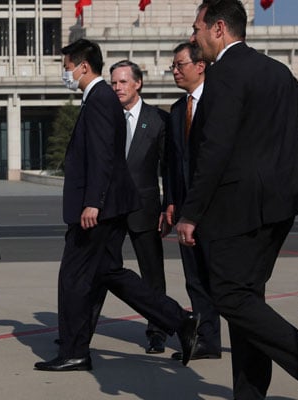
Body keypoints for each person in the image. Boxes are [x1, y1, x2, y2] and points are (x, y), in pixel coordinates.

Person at [177, 1, 298, 398]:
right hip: (278, 206)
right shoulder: (273, 70)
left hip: (237, 209)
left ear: (218, 28)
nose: (194, 37)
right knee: (248, 298)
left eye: (197, 29)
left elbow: (215, 148)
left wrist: (191, 212)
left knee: (230, 297)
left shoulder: (225, 74)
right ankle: (250, 394)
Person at [34, 39, 199, 372]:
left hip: (101, 209)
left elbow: (102, 157)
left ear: (82, 66)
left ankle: (74, 351)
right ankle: (179, 320)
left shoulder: (98, 99)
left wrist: (92, 202)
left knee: (72, 278)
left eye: (66, 67)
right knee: (110, 274)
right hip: (113, 206)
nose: (65, 73)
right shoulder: (102, 99)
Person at [164, 42, 221, 361]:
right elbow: (172, 163)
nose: (175, 71)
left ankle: (247, 337)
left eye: (179, 65)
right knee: (195, 277)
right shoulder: (176, 110)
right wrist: (170, 201)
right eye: (172, 66)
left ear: (200, 66)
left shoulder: (219, 103)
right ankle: (208, 340)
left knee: (222, 278)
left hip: (217, 206)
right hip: (186, 208)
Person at [109, 60, 170, 354]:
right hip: (109, 210)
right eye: (114, 83)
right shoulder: (106, 117)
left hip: (145, 210)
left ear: (138, 83)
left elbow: (168, 169)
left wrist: (169, 205)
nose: (117, 87)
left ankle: (157, 330)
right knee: (101, 270)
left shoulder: (158, 120)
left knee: (152, 274)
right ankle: (79, 331)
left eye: (123, 82)